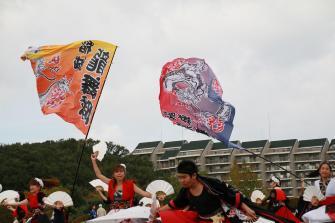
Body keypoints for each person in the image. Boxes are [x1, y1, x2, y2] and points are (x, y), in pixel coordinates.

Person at [155, 160, 290, 223]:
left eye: (184, 177)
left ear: (194, 175)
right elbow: (175, 204)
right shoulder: (185, 191)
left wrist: (246, 208)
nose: (181, 181)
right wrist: (157, 212)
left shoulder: (211, 185)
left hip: (222, 219)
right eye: (179, 178)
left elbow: (231, 195)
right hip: (203, 220)